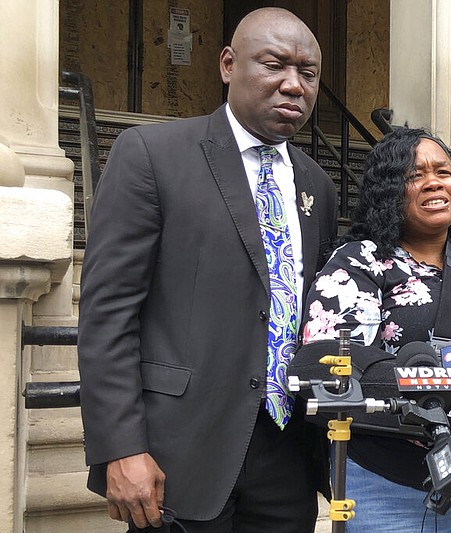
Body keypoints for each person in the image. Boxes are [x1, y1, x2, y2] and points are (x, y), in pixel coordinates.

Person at [77, 7, 337, 532]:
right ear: (227, 64)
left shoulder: (318, 186)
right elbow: (107, 314)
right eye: (274, 66)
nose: (293, 86)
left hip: (287, 456)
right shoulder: (152, 155)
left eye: (307, 74)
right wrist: (121, 447)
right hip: (180, 453)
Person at [298, 127, 451, 532]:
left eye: (443, 171)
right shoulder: (361, 263)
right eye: (414, 175)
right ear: (388, 191)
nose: (433, 181)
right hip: (395, 486)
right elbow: (336, 363)